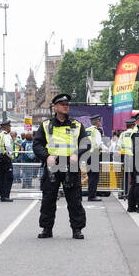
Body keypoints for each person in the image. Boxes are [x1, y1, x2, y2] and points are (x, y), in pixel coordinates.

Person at [33, 94, 89, 239]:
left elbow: (86, 144)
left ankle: (77, 229)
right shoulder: (46, 125)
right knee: (48, 199)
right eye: (62, 104)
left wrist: (77, 153)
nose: (66, 106)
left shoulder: (77, 125)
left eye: (67, 104)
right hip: (53, 165)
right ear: (55, 107)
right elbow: (37, 144)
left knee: (74, 199)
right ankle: (47, 229)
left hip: (70, 165)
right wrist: (46, 156)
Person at [0, 120, 16, 201]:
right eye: (9, 126)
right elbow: (8, 146)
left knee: (1, 177)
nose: (10, 128)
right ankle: (6, 196)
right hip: (6, 158)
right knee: (8, 177)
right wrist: (10, 155)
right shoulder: (7, 136)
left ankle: (2, 196)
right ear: (6, 127)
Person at [83, 114, 104, 202]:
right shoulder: (96, 131)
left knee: (90, 176)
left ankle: (91, 195)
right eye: (100, 121)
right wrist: (106, 150)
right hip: (94, 155)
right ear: (98, 122)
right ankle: (92, 196)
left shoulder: (86, 130)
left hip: (87, 155)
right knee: (94, 177)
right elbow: (99, 143)